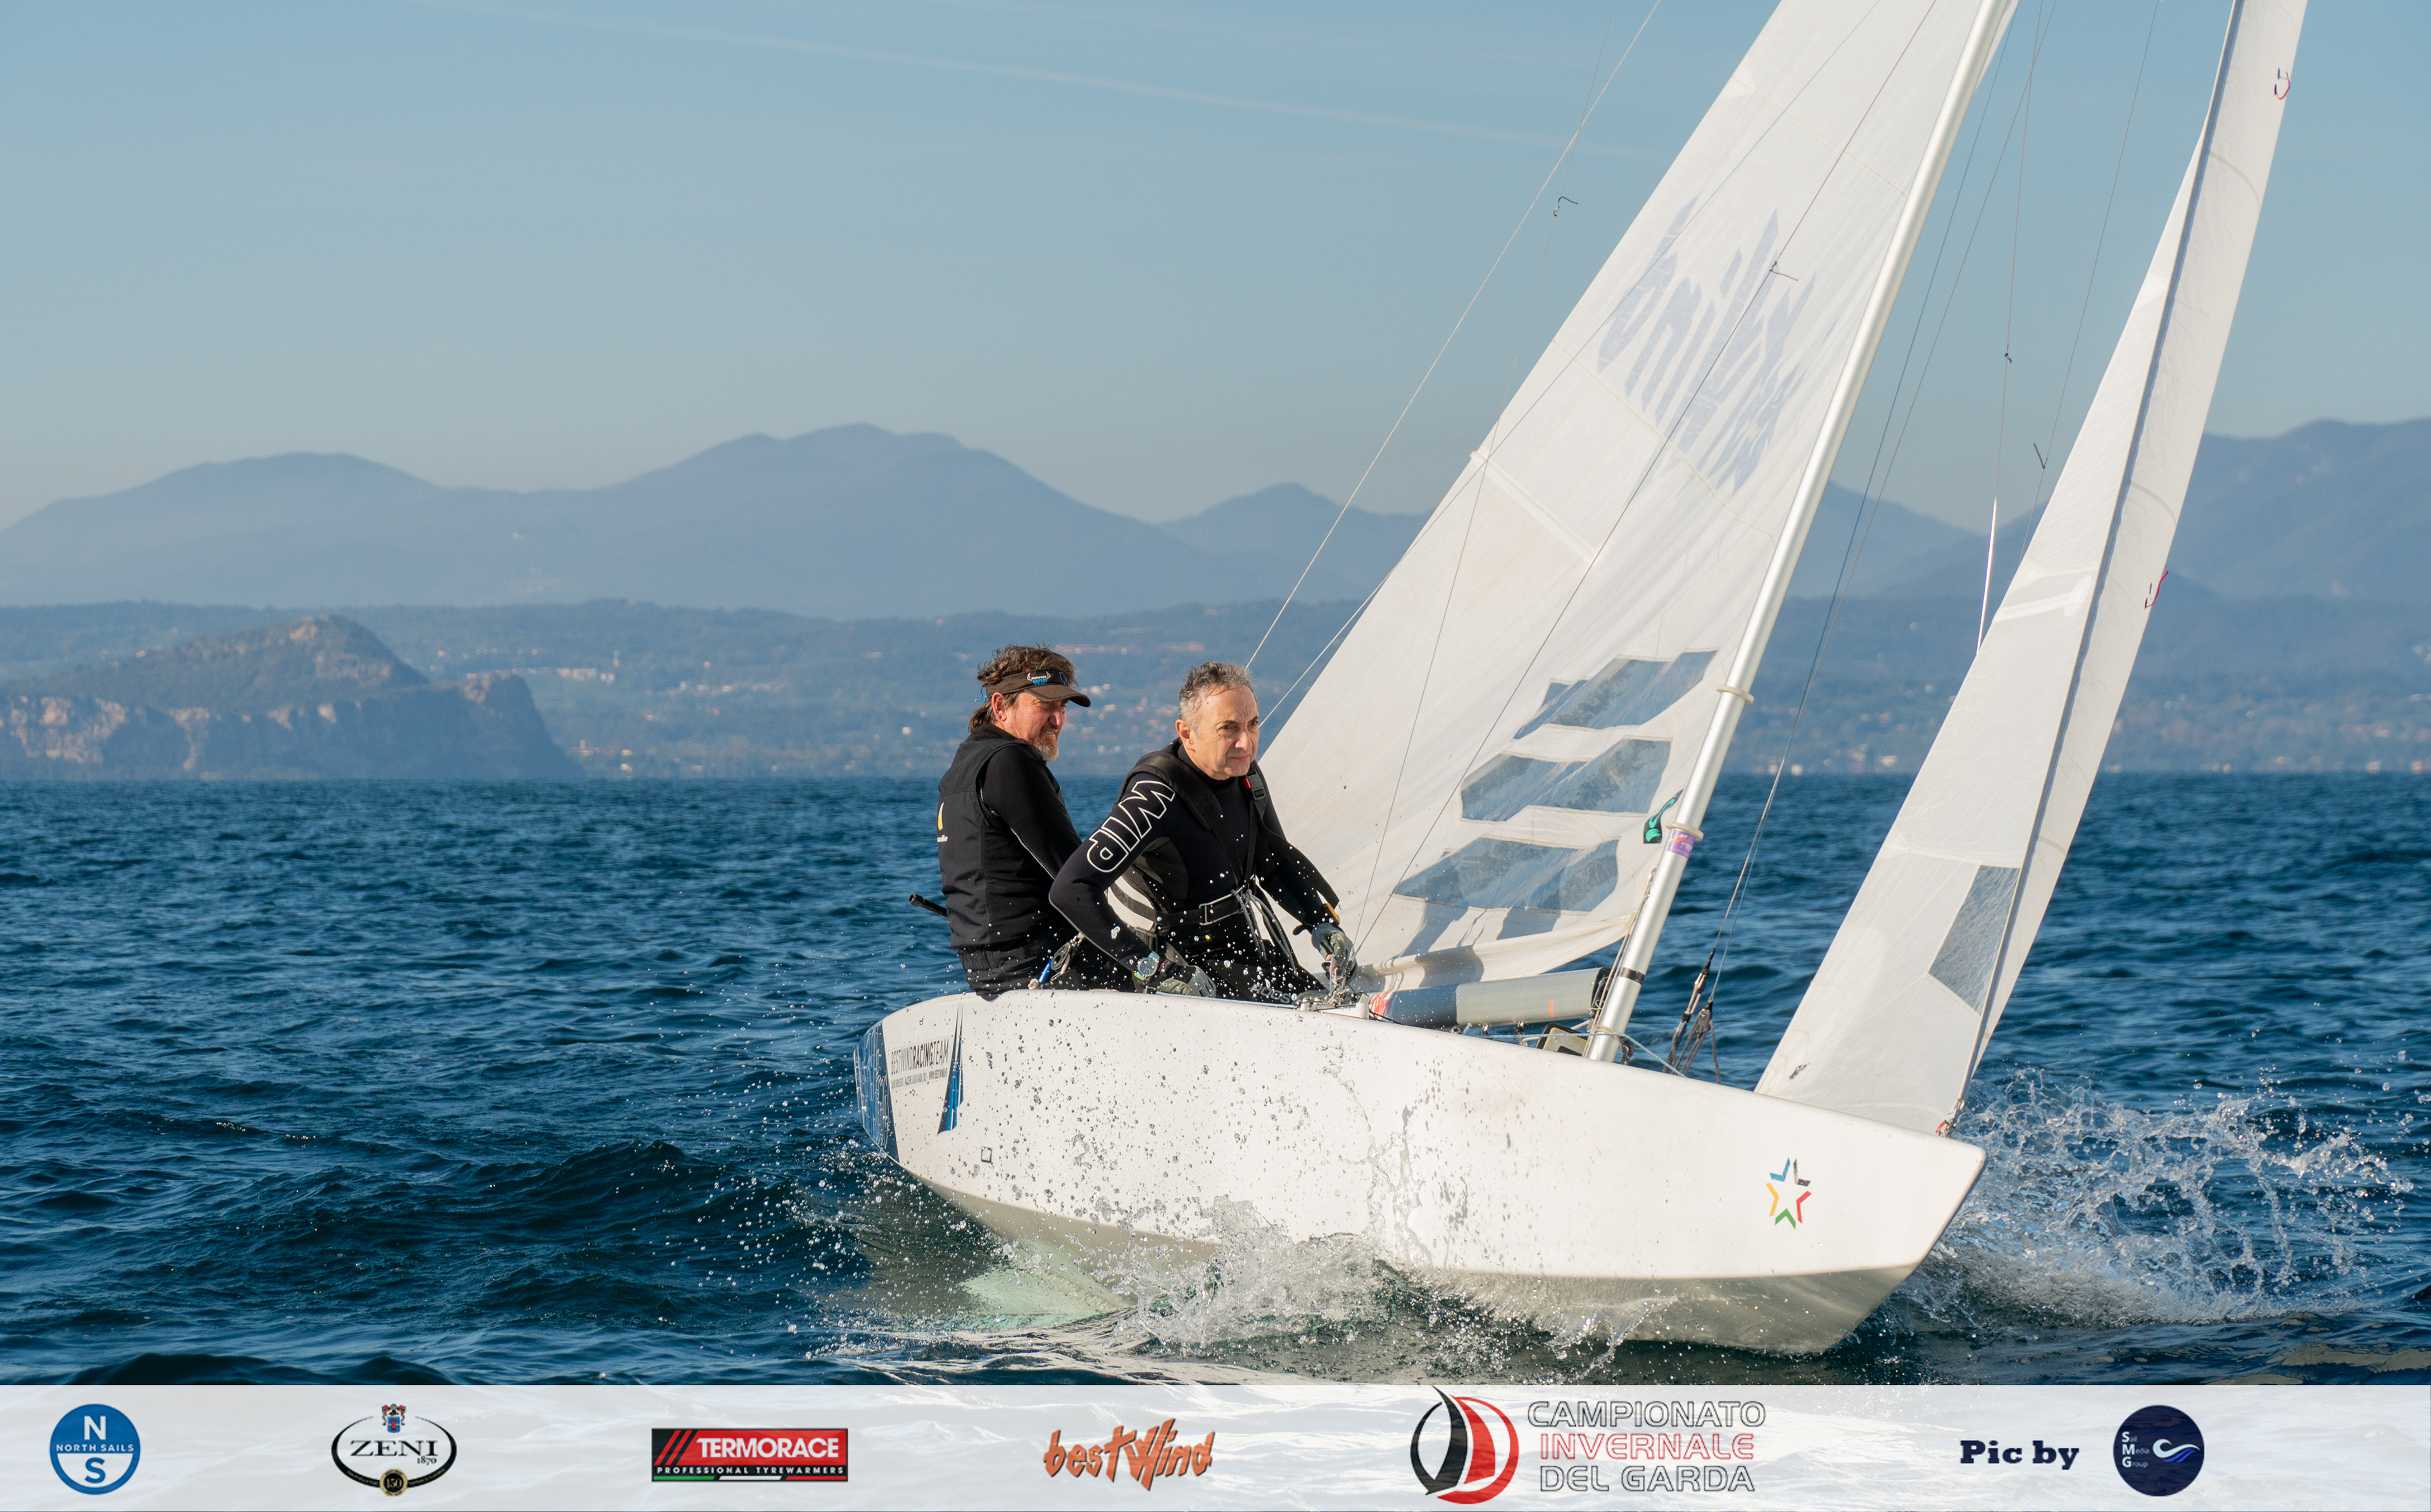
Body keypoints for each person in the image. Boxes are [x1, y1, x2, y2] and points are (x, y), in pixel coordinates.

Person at [1051, 660, 1357, 1003]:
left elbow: (1272, 864)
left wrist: (1321, 923)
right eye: (1228, 729)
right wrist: (1149, 967)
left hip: (1238, 945)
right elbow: (1071, 888)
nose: (1246, 743)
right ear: (1187, 733)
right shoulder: (1156, 797)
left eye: (1253, 724)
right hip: (1178, 966)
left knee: (1327, 1003)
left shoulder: (1247, 777)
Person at [934, 646, 1127, 998]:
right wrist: (1145, 961)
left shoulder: (962, 767)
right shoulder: (1012, 764)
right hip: (1040, 967)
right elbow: (1078, 878)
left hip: (988, 973)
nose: (1057, 720)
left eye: (1062, 707)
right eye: (1045, 706)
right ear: (1000, 707)